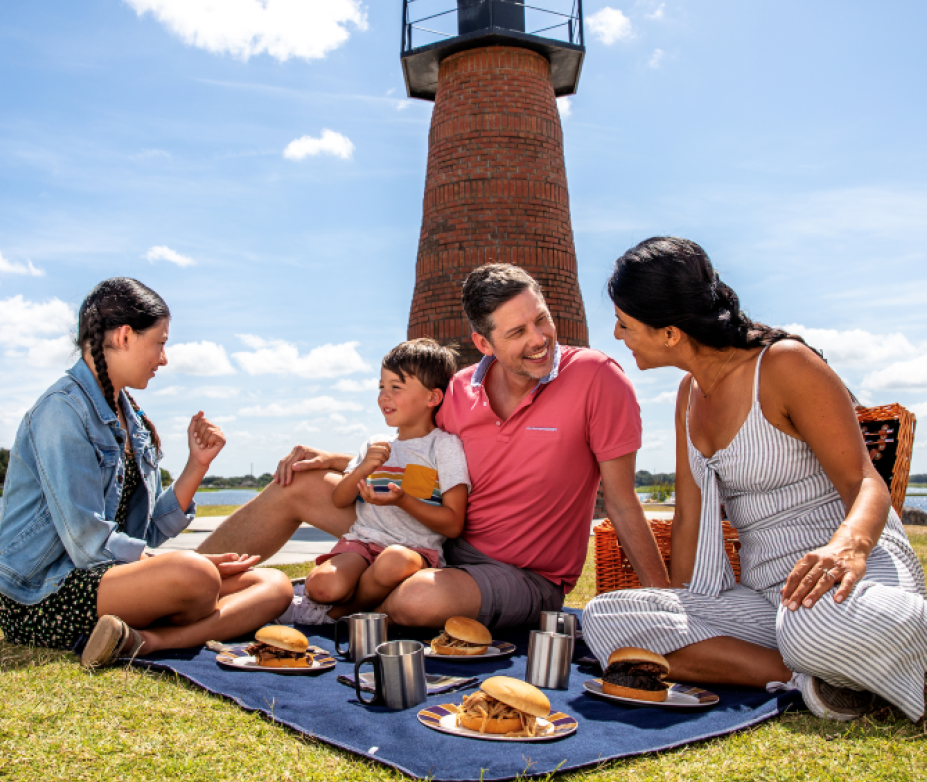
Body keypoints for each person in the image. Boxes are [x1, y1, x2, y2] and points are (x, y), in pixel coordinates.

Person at [201, 263, 669, 628]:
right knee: (298, 483)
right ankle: (182, 585)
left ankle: (332, 606)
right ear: (483, 342)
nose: (540, 340)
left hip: (523, 575)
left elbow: (624, 503)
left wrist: (671, 610)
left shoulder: (596, 378)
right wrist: (339, 460)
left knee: (418, 598)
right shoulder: (461, 389)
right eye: (517, 332)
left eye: (540, 320)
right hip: (437, 538)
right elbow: (417, 453)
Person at [582, 237, 927, 721]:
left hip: (850, 575)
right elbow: (689, 519)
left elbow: (864, 481)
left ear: (670, 333)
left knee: (811, 625)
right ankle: (811, 680)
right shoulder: (687, 396)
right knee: (607, 618)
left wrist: (847, 547)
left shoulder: (785, 365)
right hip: (770, 598)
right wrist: (678, 605)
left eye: (625, 323)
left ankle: (865, 655)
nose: (618, 335)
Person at [0, 278, 292, 668]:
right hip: (45, 594)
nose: (164, 358)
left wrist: (198, 465)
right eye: (160, 343)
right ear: (125, 336)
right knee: (196, 575)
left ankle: (145, 641)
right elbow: (86, 542)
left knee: (274, 585)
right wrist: (188, 567)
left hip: (113, 579)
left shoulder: (132, 419)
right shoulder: (62, 411)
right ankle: (176, 606)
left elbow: (145, 534)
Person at [290, 338, 469, 624]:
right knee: (322, 586)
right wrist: (361, 470)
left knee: (393, 561)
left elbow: (453, 523)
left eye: (396, 387)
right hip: (363, 544)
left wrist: (403, 500)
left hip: (414, 551)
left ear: (432, 398)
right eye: (381, 387)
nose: (384, 396)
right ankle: (339, 604)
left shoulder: (444, 447)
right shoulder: (375, 443)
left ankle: (339, 614)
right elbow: (340, 499)